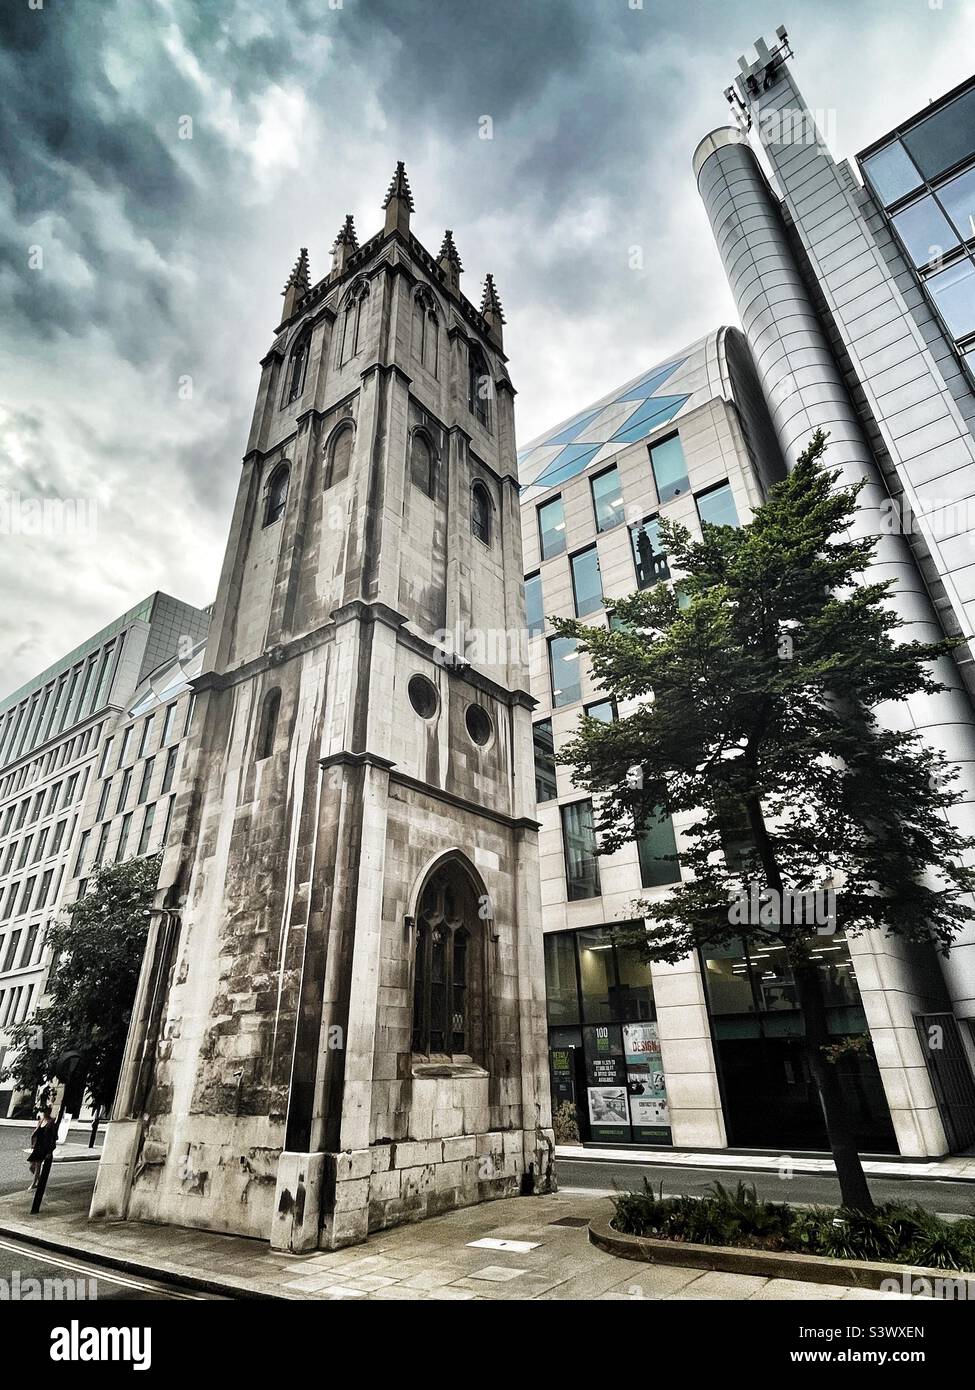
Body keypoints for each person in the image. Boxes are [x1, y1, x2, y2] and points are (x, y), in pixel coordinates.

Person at [27, 1108, 59, 1189]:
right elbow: (36, 1133)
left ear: (49, 1111)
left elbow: (53, 1137)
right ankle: (40, 1181)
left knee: (38, 1165)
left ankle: (34, 1184)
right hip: (38, 1145)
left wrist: (49, 1151)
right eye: (43, 1111)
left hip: (45, 1146)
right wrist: (33, 1144)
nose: (44, 1113)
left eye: (46, 1111)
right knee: (31, 1166)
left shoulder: (51, 1122)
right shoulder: (41, 1120)